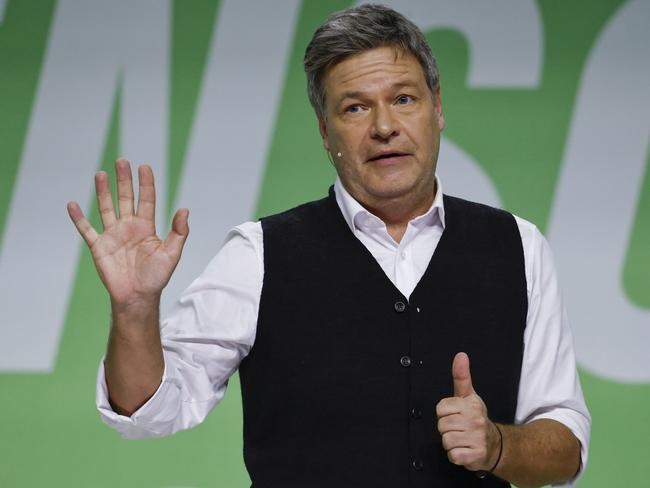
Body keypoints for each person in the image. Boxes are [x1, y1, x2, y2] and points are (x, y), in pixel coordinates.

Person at [67, 4, 590, 487]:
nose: (385, 126)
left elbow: (565, 445)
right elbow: (147, 413)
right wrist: (134, 309)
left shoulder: (518, 246)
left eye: (403, 99)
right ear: (324, 130)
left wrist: (499, 445)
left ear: (438, 109)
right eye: (356, 108)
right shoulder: (259, 254)